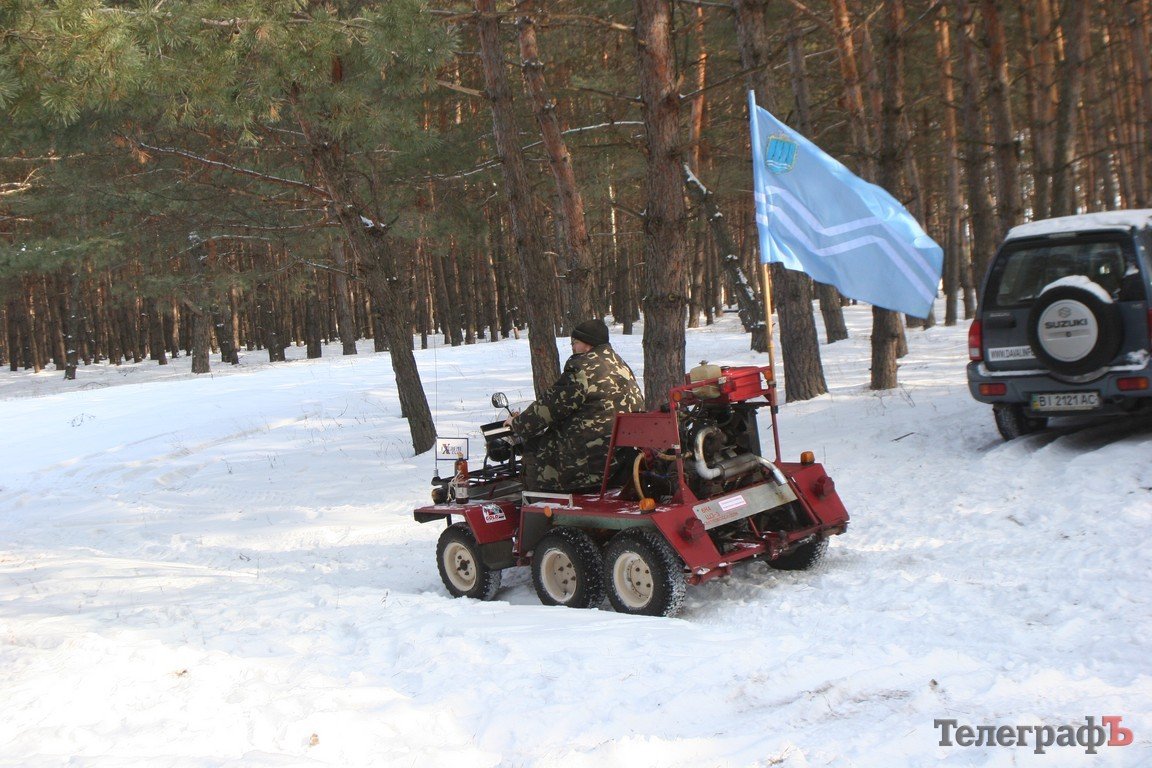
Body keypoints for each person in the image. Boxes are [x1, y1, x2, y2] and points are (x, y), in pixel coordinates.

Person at [505, 319, 644, 493]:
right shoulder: (619, 364)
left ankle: (536, 509)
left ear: (588, 344)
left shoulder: (582, 368)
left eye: (575, 342)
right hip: (621, 457)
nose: (573, 347)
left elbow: (550, 406)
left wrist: (518, 423)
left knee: (534, 451)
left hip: (590, 462)